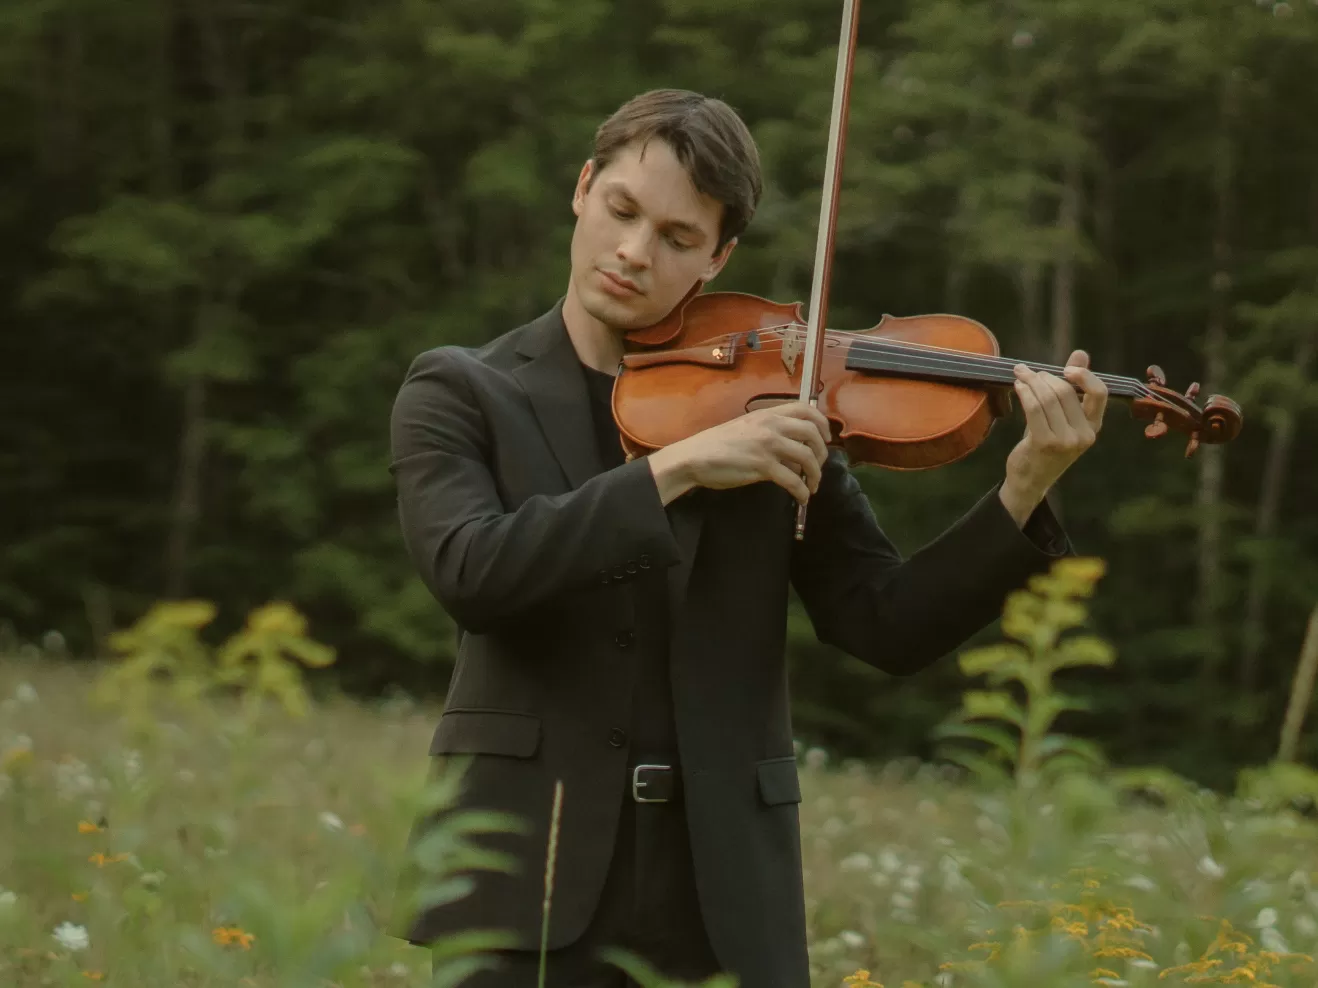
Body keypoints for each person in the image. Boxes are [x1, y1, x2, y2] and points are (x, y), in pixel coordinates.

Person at [387, 89, 1107, 988]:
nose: (633, 253)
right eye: (622, 211)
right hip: (522, 878)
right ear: (582, 187)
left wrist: (1024, 485)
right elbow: (473, 571)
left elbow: (886, 626)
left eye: (679, 239)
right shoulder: (459, 391)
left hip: (721, 895)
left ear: (719, 256)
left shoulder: (779, 405)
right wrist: (678, 468)